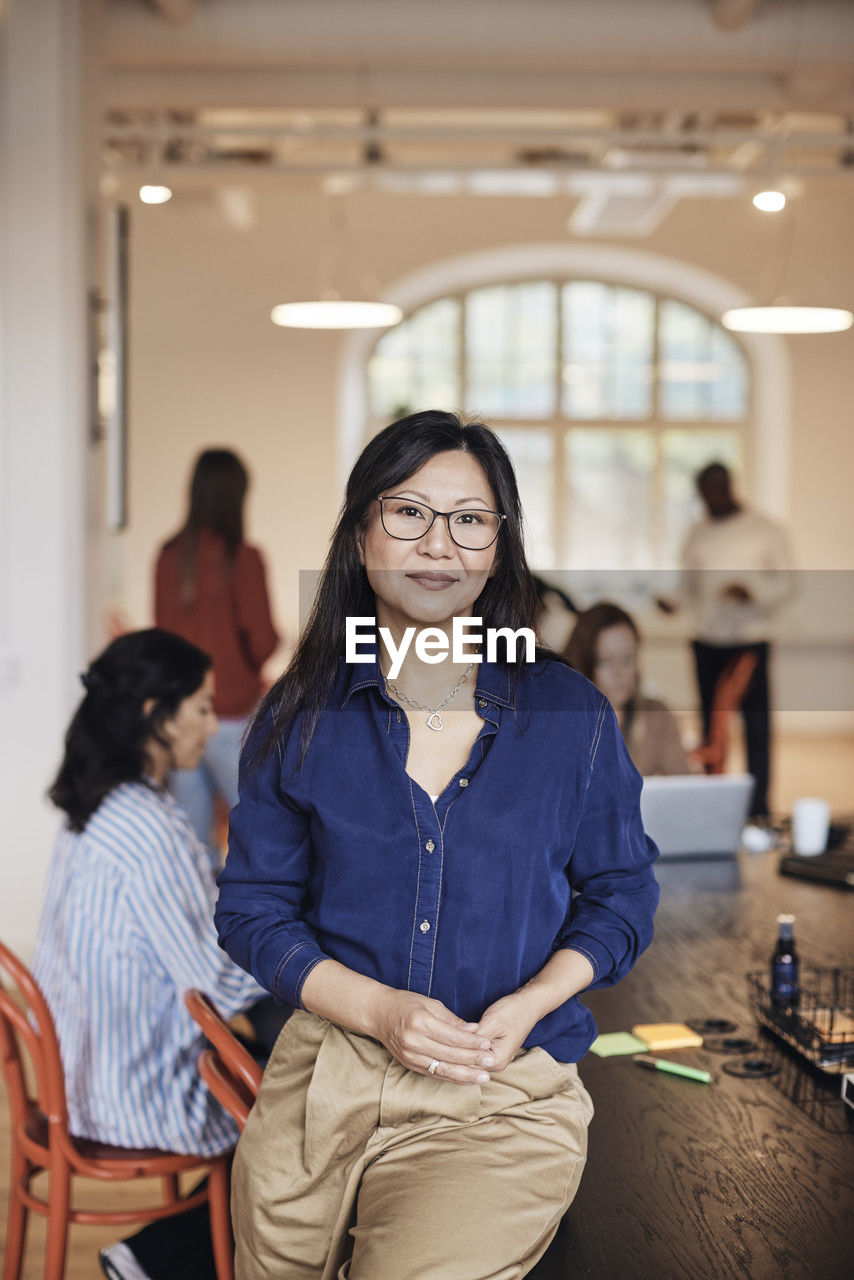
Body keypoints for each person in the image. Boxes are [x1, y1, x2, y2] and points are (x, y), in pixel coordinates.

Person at [214, 410, 660, 1280]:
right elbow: (252, 911)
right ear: (361, 532)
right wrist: (381, 1013)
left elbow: (622, 895)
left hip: (500, 1097)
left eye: (470, 519)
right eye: (409, 512)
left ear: (498, 545)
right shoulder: (298, 714)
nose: (439, 544)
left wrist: (530, 1004)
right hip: (322, 1090)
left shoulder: (568, 715)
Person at [31, 628, 267, 1280]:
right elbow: (216, 987)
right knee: (309, 1107)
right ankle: (155, 1259)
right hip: (129, 1085)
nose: (210, 724)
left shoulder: (105, 803)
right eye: (200, 707)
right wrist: (298, 942)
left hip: (83, 1067)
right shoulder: (146, 826)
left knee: (295, 1091)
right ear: (153, 715)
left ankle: (154, 1254)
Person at [154, 448, 279, 857]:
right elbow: (261, 642)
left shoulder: (169, 557)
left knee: (192, 847)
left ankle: (198, 922)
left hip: (179, 717)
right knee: (263, 833)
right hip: (231, 716)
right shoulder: (244, 559)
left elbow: (162, 642)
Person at [659, 461, 793, 818]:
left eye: (716, 490)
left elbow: (788, 584)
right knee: (713, 729)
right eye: (704, 493)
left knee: (757, 729)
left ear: (729, 486)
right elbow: (687, 587)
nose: (710, 499)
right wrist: (671, 602)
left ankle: (758, 808)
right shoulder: (697, 532)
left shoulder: (765, 530)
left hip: (748, 643)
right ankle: (714, 805)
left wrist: (752, 592)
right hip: (707, 642)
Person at [566, 601, 692, 776]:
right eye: (605, 661)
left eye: (628, 658)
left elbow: (685, 789)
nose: (619, 672)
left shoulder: (658, 717)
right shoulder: (563, 723)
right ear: (585, 665)